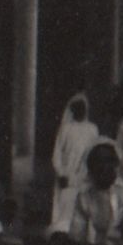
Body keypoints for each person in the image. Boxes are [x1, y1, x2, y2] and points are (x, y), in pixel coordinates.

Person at [51, 94, 101, 233]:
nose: (81, 111)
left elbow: (94, 151)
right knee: (65, 212)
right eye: (77, 108)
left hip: (85, 176)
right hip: (67, 176)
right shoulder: (66, 128)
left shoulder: (92, 129)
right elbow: (57, 153)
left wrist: (87, 172)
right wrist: (61, 173)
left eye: (83, 108)